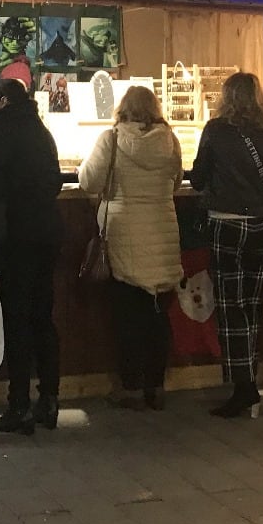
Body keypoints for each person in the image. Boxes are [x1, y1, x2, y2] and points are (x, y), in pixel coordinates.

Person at [189, 71, 263, 419]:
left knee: (231, 309)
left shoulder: (215, 132)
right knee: (252, 306)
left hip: (227, 226)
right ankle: (250, 381)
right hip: (262, 228)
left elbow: (198, 177)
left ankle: (243, 387)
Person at [79, 86, 182, 411]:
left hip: (124, 233)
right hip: (162, 231)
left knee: (128, 316)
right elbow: (177, 180)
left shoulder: (111, 139)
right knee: (157, 315)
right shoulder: (170, 140)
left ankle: (131, 386)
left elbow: (88, 181)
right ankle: (156, 385)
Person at [0, 77, 64, 434]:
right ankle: (49, 399)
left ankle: (19, 405)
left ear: (1, 100)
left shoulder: (0, 134)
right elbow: (55, 181)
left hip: (16, 237)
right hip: (47, 232)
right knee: (43, 317)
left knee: (17, 319)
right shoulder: (41, 132)